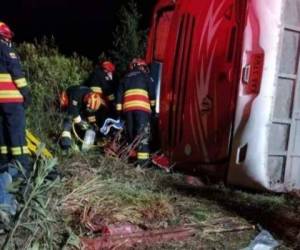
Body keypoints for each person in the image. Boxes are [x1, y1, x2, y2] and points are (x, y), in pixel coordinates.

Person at [0, 21, 31, 220]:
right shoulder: (5, 48)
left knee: (3, 144)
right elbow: (15, 71)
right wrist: (26, 92)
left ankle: (4, 166)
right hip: (11, 100)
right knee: (19, 146)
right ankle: (19, 174)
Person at [116, 58, 156, 165]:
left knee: (131, 134)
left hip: (127, 110)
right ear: (139, 66)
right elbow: (152, 93)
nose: (144, 69)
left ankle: (129, 160)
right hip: (142, 109)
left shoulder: (125, 77)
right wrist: (153, 107)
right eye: (143, 67)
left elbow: (119, 95)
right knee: (142, 135)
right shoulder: (145, 76)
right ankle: (142, 163)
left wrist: (119, 112)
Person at [59, 85, 107, 150]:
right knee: (69, 119)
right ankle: (65, 142)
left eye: (89, 106)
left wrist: (93, 124)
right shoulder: (77, 93)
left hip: (78, 106)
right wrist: (79, 122)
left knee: (86, 123)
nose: (87, 105)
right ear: (87, 97)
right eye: (87, 103)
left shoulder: (90, 95)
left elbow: (89, 112)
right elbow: (72, 109)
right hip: (66, 102)